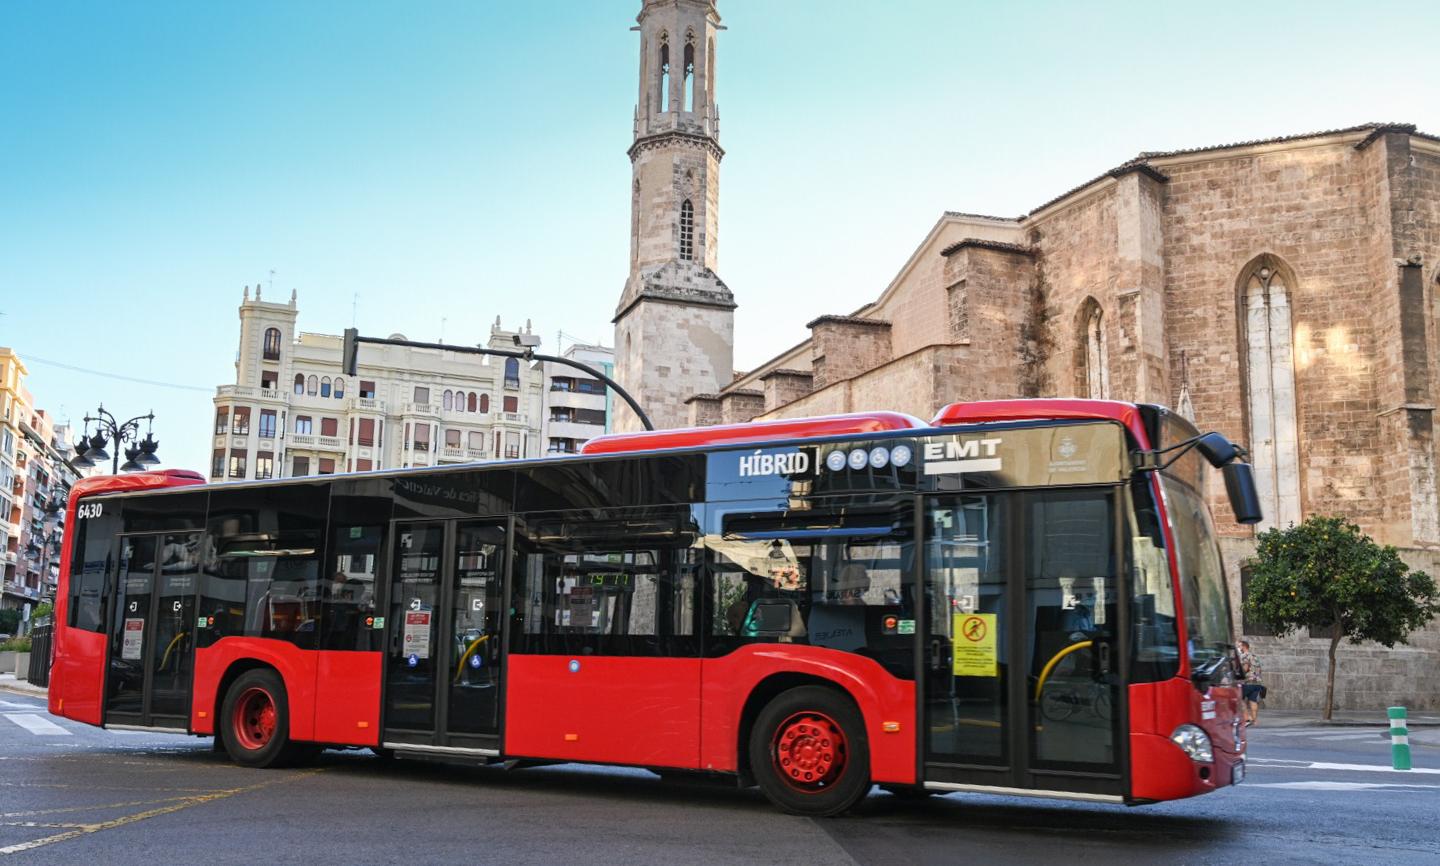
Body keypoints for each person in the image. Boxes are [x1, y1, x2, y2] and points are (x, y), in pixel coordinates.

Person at [1238, 639, 1265, 726]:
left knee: (1239, 699)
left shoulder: (1244, 656)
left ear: (1244, 646)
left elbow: (1245, 668)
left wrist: (1238, 674)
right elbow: (1259, 669)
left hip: (1248, 682)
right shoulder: (1255, 656)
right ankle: (1255, 721)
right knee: (1253, 701)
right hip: (1257, 682)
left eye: (1239, 646)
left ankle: (1247, 718)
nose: (1238, 648)